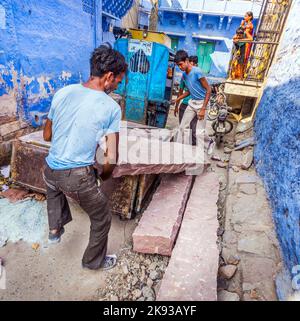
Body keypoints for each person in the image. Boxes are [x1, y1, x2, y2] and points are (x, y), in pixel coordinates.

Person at [42, 46, 127, 271]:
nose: (117, 85)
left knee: (54, 186)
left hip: (49, 169)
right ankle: (92, 262)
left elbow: (47, 135)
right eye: (118, 81)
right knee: (102, 217)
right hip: (76, 177)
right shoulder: (111, 107)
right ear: (109, 77)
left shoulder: (63, 92)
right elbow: (112, 156)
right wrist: (103, 174)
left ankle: (55, 230)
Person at [173, 50, 212, 152]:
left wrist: (203, 108)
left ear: (186, 61)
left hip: (202, 103)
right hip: (192, 103)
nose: (180, 67)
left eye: (181, 64)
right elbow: (189, 91)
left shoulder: (197, 72)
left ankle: (206, 147)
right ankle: (179, 150)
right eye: (178, 65)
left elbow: (209, 90)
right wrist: (177, 99)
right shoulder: (184, 75)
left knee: (199, 132)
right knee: (182, 127)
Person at [174, 55, 199, 145]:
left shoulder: (198, 75)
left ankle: (193, 148)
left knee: (193, 129)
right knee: (183, 128)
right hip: (184, 105)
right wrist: (176, 106)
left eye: (193, 64)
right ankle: (181, 147)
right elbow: (180, 92)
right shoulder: (184, 76)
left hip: (195, 105)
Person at [231, 11, 254, 80]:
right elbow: (239, 31)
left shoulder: (249, 25)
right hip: (241, 44)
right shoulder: (246, 25)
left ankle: (240, 75)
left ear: (250, 17)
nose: (244, 18)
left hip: (246, 44)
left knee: (242, 60)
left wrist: (242, 25)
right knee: (237, 60)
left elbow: (246, 34)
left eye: (246, 16)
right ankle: (235, 75)